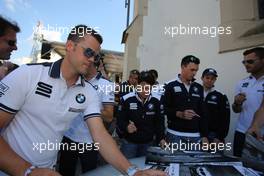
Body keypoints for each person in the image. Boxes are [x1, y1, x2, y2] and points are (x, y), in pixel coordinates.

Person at [0, 25, 166, 176]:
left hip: (48, 170)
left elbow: (100, 135)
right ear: (70, 46)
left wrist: (133, 172)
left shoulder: (88, 91)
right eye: (89, 53)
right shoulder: (28, 75)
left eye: (97, 56)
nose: (93, 59)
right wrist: (27, 171)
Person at [59, 58, 115, 175]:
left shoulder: (106, 84)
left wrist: (87, 106)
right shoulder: (75, 78)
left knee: (89, 173)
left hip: (90, 141)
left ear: (95, 64)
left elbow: (109, 116)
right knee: (65, 171)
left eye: (86, 62)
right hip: (68, 137)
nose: (82, 64)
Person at [163, 55, 209, 149]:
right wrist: (179, 114)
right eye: (192, 70)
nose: (194, 73)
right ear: (183, 67)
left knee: (194, 164)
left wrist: (204, 135)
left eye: (196, 70)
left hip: (195, 137)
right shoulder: (169, 86)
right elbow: (163, 108)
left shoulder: (199, 88)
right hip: (174, 135)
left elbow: (203, 112)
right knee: (174, 163)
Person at [117, 71, 166, 158]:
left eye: (148, 88)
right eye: (142, 87)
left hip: (149, 143)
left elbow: (160, 122)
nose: (145, 91)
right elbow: (119, 120)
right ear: (137, 85)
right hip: (129, 143)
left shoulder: (157, 100)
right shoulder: (126, 99)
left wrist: (161, 138)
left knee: (145, 169)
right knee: (127, 169)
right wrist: (126, 126)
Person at [232, 47, 264, 157]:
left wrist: (255, 125)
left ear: (262, 60)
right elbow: (236, 110)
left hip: (260, 134)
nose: (246, 64)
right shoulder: (242, 83)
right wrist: (237, 103)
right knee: (238, 167)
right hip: (241, 132)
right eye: (244, 62)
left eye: (250, 61)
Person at [201, 68, 230, 145]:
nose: (209, 80)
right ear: (202, 78)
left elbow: (225, 118)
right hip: (198, 133)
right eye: (207, 78)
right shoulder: (195, 93)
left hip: (214, 136)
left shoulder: (221, 96)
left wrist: (219, 137)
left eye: (212, 79)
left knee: (214, 157)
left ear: (215, 80)